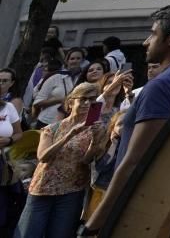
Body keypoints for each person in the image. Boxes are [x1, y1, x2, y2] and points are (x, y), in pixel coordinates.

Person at [82, 3, 170, 236]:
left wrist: (94, 225)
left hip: (137, 212)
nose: (145, 41)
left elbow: (135, 161)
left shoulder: (161, 86)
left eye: (153, 34)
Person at [16, 82, 109, 238]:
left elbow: (86, 161)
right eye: (83, 99)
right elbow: (43, 157)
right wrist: (69, 135)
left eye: (92, 100)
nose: (88, 103)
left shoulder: (96, 129)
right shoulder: (52, 128)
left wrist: (95, 140)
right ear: (71, 102)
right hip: (43, 189)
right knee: (28, 233)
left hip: (71, 192)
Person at [26, 51, 71, 128]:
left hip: (64, 122)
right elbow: (36, 101)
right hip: (45, 119)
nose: (44, 70)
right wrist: (58, 100)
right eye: (44, 69)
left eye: (46, 69)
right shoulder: (51, 79)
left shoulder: (68, 79)